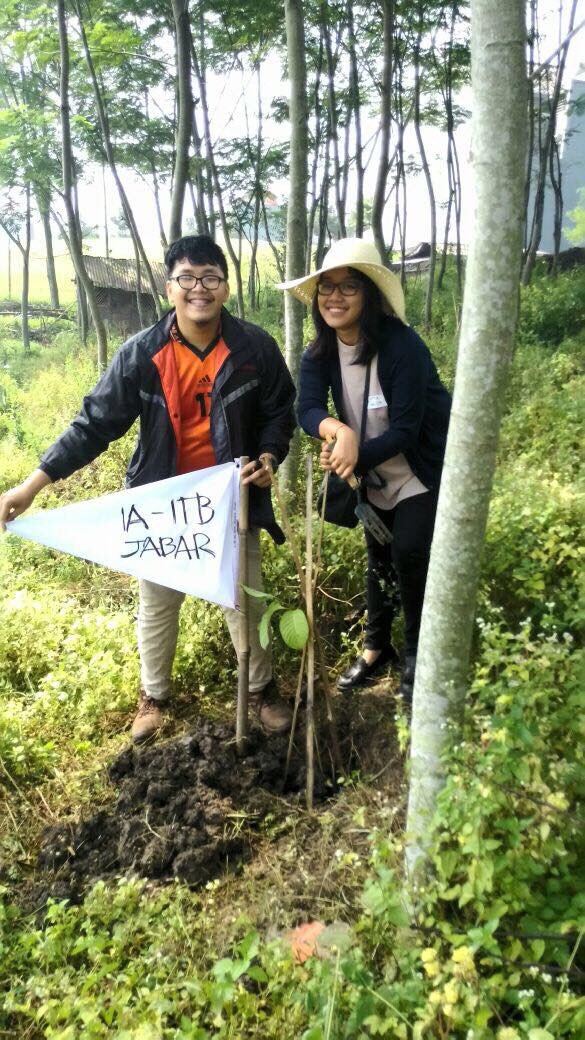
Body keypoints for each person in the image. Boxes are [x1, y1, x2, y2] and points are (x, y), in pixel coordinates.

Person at [0, 235, 296, 740]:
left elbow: (278, 412)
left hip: (231, 501)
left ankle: (260, 690)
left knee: (244, 597)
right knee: (158, 605)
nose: (198, 288)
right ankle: (154, 697)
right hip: (163, 508)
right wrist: (33, 485)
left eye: (209, 278)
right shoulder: (142, 353)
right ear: (169, 287)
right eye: (187, 278)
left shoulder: (254, 349)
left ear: (225, 287)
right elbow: (95, 423)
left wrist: (267, 458)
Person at [279, 238, 451, 702]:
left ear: (369, 294)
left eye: (348, 287)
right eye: (326, 288)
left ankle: (419, 655)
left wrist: (352, 455)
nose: (334, 297)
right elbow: (307, 408)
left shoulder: (402, 347)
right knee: (378, 557)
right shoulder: (320, 352)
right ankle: (378, 648)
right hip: (371, 472)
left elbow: (410, 430)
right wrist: (337, 429)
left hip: (417, 466)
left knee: (410, 555)